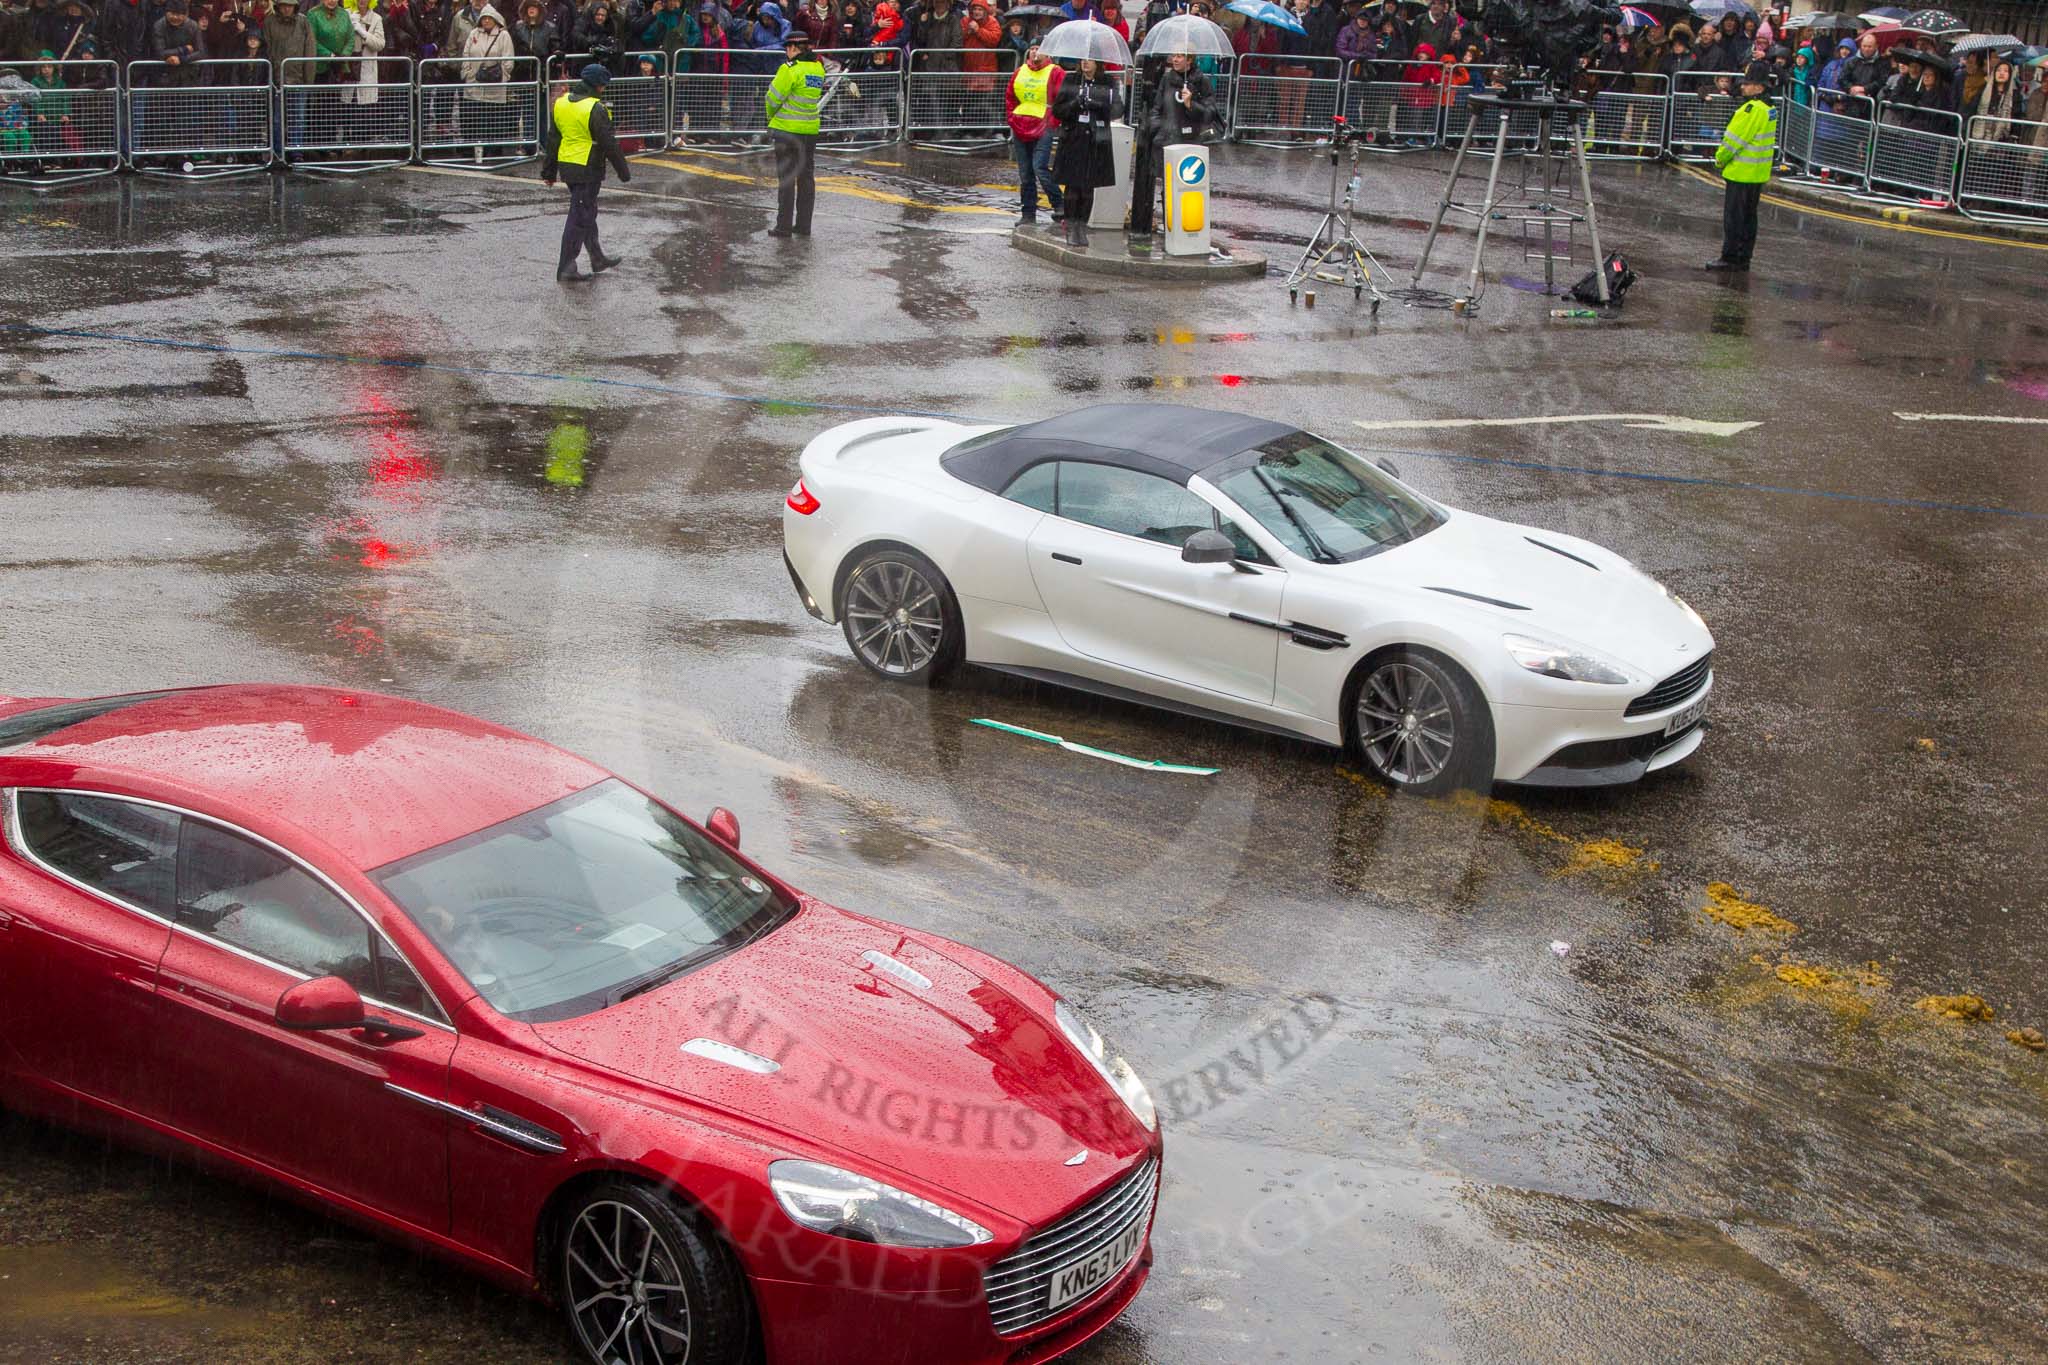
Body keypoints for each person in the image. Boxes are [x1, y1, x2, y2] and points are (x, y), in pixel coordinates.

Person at [541, 61, 629, 280]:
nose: (604, 89)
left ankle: (597, 256)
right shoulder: (595, 108)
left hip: (568, 166)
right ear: (597, 85)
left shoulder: (562, 103)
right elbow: (609, 143)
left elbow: (553, 139)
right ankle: (566, 267)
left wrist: (549, 171)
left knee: (586, 211)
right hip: (588, 167)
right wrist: (623, 170)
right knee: (579, 217)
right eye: (603, 85)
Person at [1129, 48, 1210, 237]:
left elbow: (1210, 112)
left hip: (1190, 143)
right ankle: (1169, 227)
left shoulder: (1201, 81)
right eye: (1173, 55)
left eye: (1180, 56)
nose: (1175, 59)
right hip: (1167, 141)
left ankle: (1185, 230)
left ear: (1189, 60)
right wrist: (1158, 129)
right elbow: (1157, 108)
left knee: (1187, 188)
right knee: (1168, 187)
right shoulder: (1167, 79)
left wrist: (1191, 105)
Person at [1704, 61, 1773, 272]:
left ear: (1759, 87)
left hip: (1741, 173)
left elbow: (1732, 142)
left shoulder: (1750, 110)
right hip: (1757, 174)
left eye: (1748, 83)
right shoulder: (1769, 108)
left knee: (1734, 219)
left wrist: (1719, 159)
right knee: (1749, 219)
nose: (1742, 87)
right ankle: (1744, 257)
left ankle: (1730, 257)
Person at [1050, 53, 1117, 244]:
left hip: (1096, 140)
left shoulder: (1108, 82)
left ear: (1098, 63)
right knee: (1072, 187)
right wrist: (1075, 103)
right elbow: (1058, 110)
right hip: (1073, 138)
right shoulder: (1071, 79)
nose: (1085, 62)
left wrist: (1097, 105)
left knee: (1088, 188)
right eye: (1082, 59)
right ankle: (1071, 228)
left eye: (1090, 59)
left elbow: (1117, 109)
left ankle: (1082, 226)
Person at [764, 27, 822, 235]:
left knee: (787, 180)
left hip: (786, 130)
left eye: (787, 48)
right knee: (806, 179)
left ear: (792, 48)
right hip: (810, 130)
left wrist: (770, 116)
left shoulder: (789, 70)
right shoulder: (817, 69)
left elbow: (772, 98)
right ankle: (804, 225)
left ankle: (783, 226)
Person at [1003, 37, 1061, 226]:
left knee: (1039, 167)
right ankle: (1028, 213)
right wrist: (1012, 117)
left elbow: (1061, 98)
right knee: (1025, 173)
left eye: (1040, 48)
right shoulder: (1020, 71)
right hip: (1020, 125)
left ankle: (1059, 204)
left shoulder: (1055, 72)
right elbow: (1010, 96)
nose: (1035, 52)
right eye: (1033, 48)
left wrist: (1052, 120)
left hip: (1043, 126)